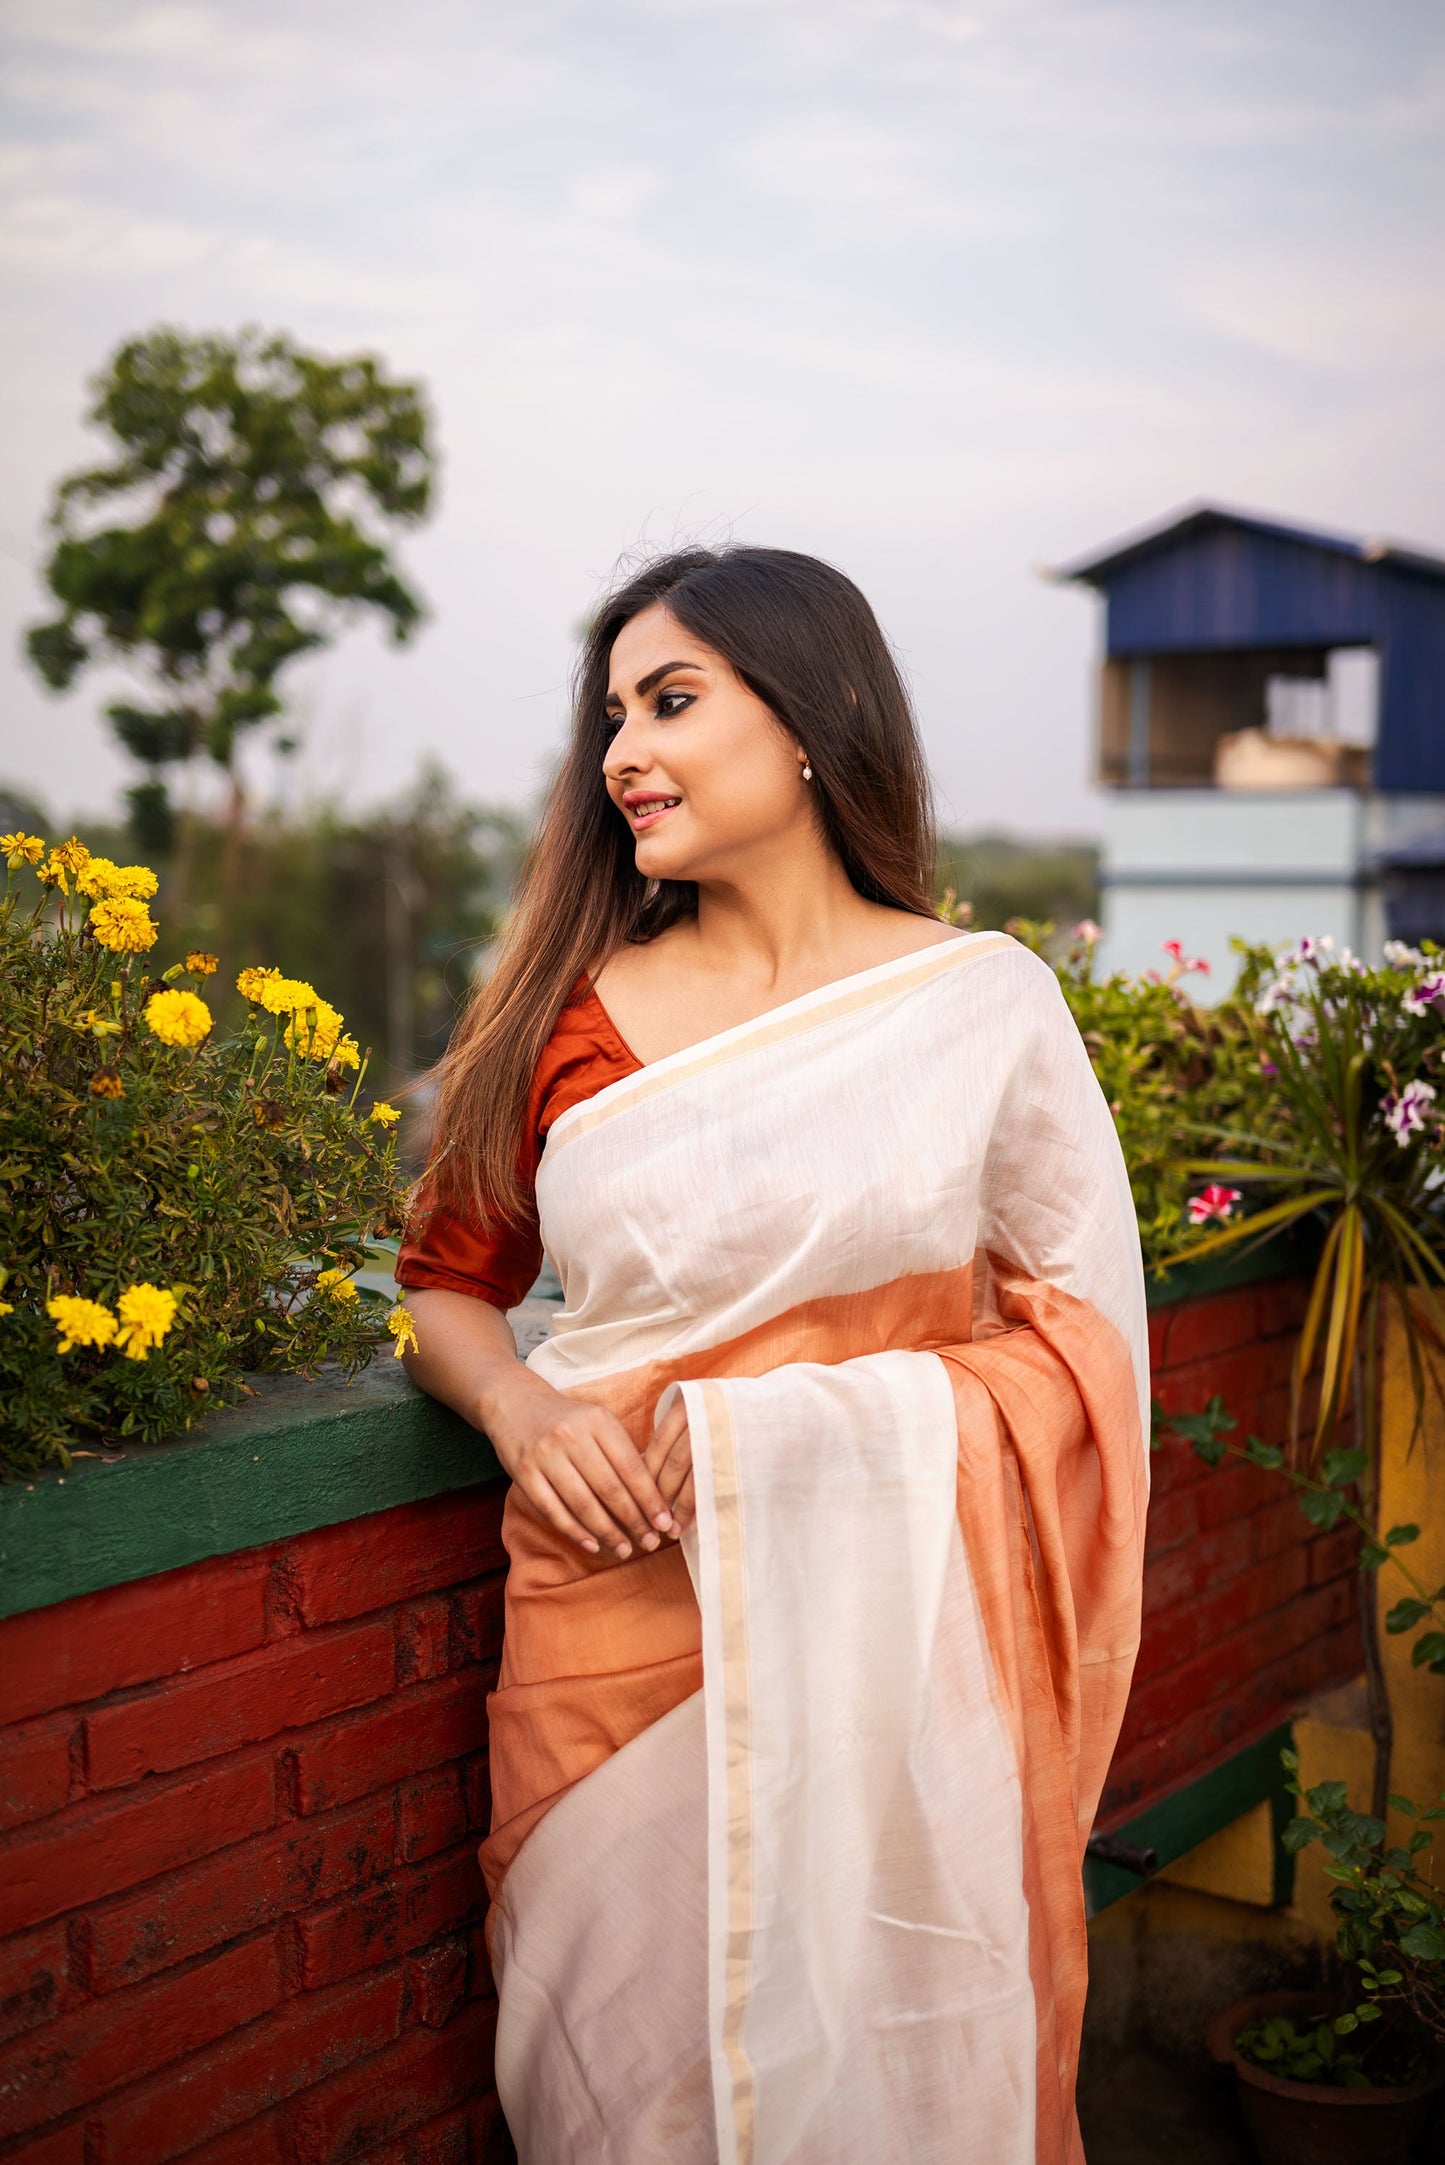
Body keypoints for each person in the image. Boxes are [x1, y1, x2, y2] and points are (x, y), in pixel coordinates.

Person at [396, 545, 1149, 2165]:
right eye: (611, 715)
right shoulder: (564, 1012)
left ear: (812, 719)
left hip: (893, 1643)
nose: (621, 754)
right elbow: (447, 1285)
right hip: (605, 1628)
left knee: (890, 2056)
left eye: (671, 701)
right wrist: (521, 1406)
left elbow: (1079, 1339)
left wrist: (804, 1435)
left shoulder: (980, 1005)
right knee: (624, 2089)